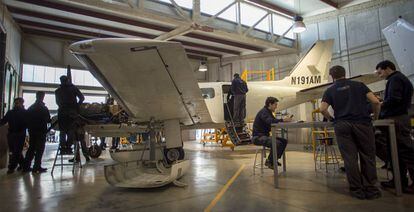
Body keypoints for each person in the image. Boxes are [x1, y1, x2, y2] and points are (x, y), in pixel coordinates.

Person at [319, 65, 381, 200]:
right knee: (368, 157)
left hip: (342, 125)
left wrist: (332, 119)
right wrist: (375, 118)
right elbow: (376, 102)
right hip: (363, 124)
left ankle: (356, 190)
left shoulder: (330, 90)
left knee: (350, 158)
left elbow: (322, 109)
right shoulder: (359, 85)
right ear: (344, 73)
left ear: (332, 76)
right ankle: (371, 189)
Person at [375, 60, 414, 194]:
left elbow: (394, 99)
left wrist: (380, 104)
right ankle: (398, 180)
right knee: (396, 152)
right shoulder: (400, 78)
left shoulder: (395, 79)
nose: (379, 75)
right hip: (399, 117)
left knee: (406, 151)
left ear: (387, 69)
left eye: (380, 72)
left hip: (396, 119)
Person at [252, 97, 291, 169]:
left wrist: (284, 120)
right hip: (258, 137)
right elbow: (269, 121)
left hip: (264, 136)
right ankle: (270, 161)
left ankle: (273, 160)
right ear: (270, 104)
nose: (276, 106)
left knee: (284, 141)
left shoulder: (268, 112)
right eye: (275, 104)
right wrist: (282, 120)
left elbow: (274, 120)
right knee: (277, 144)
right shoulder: (264, 112)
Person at [55, 75, 84, 156]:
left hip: (62, 113)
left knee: (63, 132)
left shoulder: (58, 91)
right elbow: (82, 98)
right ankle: (68, 147)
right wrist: (77, 106)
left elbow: (57, 103)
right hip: (72, 113)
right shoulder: (73, 88)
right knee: (71, 131)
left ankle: (63, 148)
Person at [23, 91, 51, 173]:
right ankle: (36, 166)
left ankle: (26, 166)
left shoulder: (31, 107)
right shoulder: (43, 108)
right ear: (43, 97)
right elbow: (48, 120)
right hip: (41, 131)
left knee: (31, 148)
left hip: (32, 131)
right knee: (40, 149)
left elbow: (26, 119)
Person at [0, 98, 27, 174]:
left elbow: (3, 121)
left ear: (21, 103)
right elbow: (3, 121)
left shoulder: (22, 112)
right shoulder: (12, 112)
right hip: (13, 134)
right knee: (15, 151)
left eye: (18, 103)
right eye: (15, 103)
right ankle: (23, 165)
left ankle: (12, 167)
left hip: (18, 134)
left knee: (16, 151)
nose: (16, 104)